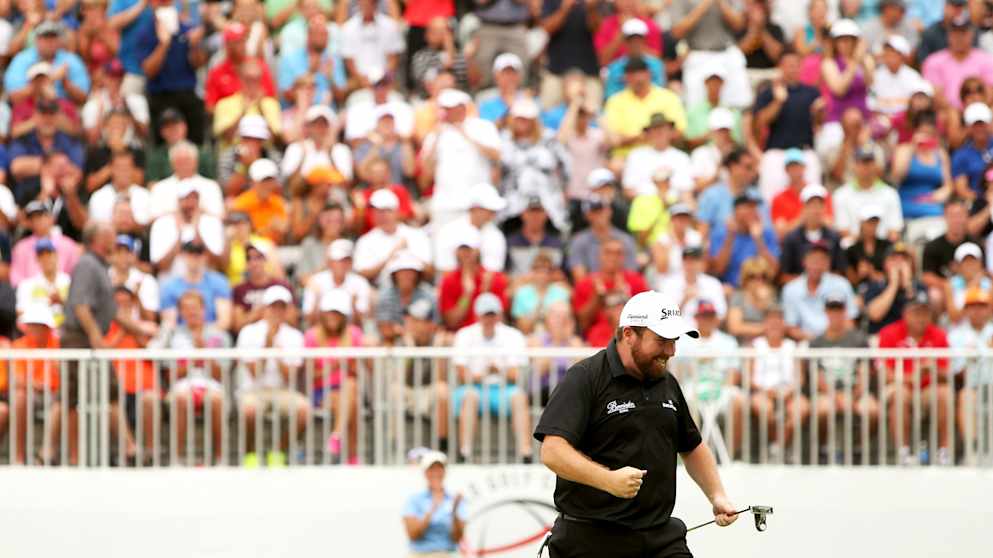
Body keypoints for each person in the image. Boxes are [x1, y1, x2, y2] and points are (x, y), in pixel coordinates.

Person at [535, 290, 738, 557]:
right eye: (662, 341)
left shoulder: (667, 382)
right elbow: (552, 451)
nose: (671, 351)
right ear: (629, 334)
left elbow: (692, 446)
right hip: (588, 539)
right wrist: (608, 480)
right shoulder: (585, 378)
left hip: (660, 538)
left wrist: (717, 495)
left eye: (674, 341)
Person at [451, 293, 532, 464]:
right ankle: (464, 453)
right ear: (477, 315)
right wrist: (491, 373)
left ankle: (526, 453)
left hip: (502, 389)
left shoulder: (513, 335)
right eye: (485, 315)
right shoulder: (464, 335)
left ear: (499, 315)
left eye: (492, 314)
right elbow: (461, 374)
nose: (489, 319)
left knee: (519, 397)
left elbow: (515, 375)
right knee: (470, 396)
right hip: (474, 389)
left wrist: (495, 372)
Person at [236, 285, 310, 467]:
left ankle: (278, 453)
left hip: (282, 390)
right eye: (273, 306)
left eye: (281, 307)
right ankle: (250, 454)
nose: (277, 311)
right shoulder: (248, 332)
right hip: (253, 391)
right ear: (264, 308)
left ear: (287, 310)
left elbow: (290, 377)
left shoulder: (295, 336)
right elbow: (254, 374)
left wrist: (276, 354)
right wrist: (267, 347)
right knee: (249, 411)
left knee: (303, 410)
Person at [877, 290, 954, 466]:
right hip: (900, 385)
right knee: (900, 394)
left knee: (944, 393)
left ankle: (944, 452)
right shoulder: (889, 333)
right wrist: (912, 377)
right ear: (905, 313)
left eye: (925, 312)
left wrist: (932, 369)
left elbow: (946, 372)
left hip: (928, 387)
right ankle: (902, 452)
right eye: (916, 312)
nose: (921, 317)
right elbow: (886, 374)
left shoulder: (939, 335)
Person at [160, 290, 231, 465]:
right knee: (181, 399)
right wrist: (193, 361)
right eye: (187, 308)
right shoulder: (172, 335)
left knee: (216, 400)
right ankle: (176, 460)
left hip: (212, 385)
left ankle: (220, 460)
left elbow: (222, 375)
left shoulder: (219, 336)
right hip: (181, 386)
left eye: (196, 308)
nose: (192, 312)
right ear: (181, 312)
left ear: (204, 309)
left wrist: (204, 354)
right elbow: (170, 375)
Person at [674, 300, 746, 458]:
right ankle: (692, 457)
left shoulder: (728, 341)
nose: (707, 319)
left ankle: (731, 455)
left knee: (739, 400)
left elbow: (733, 373)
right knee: (683, 401)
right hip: (692, 386)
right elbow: (677, 372)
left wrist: (722, 390)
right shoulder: (683, 341)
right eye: (703, 316)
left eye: (710, 316)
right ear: (696, 318)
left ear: (716, 318)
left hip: (721, 387)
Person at [305, 289, 364, 465]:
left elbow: (357, 370)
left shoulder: (354, 334)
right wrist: (333, 367)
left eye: (337, 313)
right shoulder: (312, 336)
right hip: (321, 392)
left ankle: (337, 437)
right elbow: (310, 375)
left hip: (346, 389)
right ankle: (352, 458)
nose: (333, 317)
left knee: (350, 390)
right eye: (330, 312)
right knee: (350, 399)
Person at [748, 306, 808, 462]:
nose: (774, 325)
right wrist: (766, 391)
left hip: (789, 392)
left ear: (783, 324)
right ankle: (779, 448)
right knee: (764, 408)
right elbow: (750, 377)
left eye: (778, 321)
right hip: (762, 391)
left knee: (801, 409)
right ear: (765, 324)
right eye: (771, 321)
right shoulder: (755, 345)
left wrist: (789, 391)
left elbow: (799, 377)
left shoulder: (793, 346)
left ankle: (777, 448)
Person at [781, 241, 858, 340]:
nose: (817, 265)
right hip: (804, 344)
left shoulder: (841, 284)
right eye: (813, 259)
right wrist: (815, 341)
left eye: (822, 260)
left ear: (828, 263)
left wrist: (831, 340)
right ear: (804, 261)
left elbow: (850, 321)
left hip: (837, 341)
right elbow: (790, 327)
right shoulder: (790, 289)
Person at [402, 450, 467, 557]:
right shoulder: (414, 500)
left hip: (446, 553)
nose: (436, 472)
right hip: (420, 554)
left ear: (444, 472)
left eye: (439, 468)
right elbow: (413, 534)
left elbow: (458, 537)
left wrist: (454, 511)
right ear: (425, 473)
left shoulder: (455, 499)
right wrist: (432, 509)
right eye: (432, 469)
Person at [302, 239, 373, 325]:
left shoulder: (360, 283)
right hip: (321, 332)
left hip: (350, 332)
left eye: (346, 260)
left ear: (351, 262)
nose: (341, 264)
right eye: (337, 260)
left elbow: (362, 321)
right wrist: (317, 301)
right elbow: (309, 320)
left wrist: (353, 305)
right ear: (329, 262)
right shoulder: (315, 282)